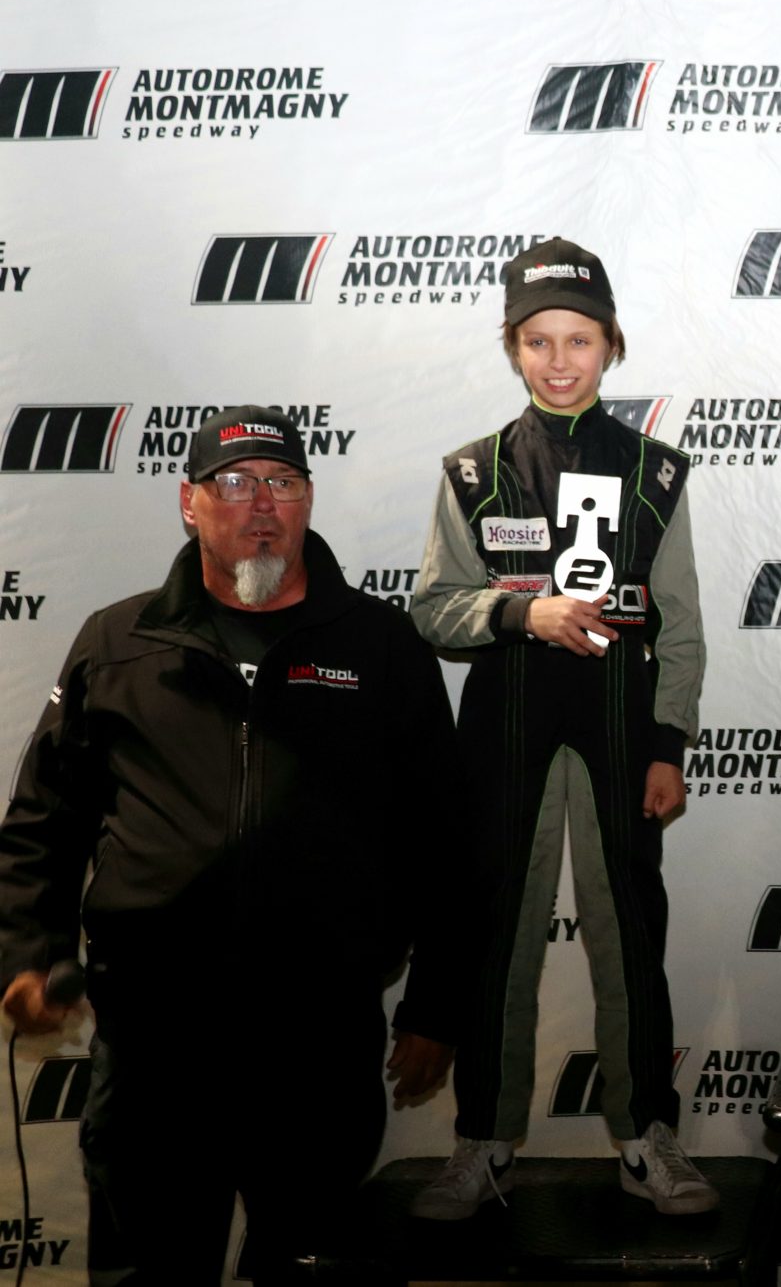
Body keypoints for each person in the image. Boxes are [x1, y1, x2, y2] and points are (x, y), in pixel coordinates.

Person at [0, 406, 467, 1281]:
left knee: (312, 1263)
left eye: (282, 483)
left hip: (320, 1039)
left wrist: (437, 1006)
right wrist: (30, 952)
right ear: (190, 502)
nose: (262, 504)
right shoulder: (119, 642)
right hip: (154, 1038)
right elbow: (43, 822)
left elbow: (442, 839)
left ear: (307, 500)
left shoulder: (381, 645)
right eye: (237, 483)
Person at [408, 237, 713, 1218]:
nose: (558, 360)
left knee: (630, 937)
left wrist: (669, 745)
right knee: (497, 931)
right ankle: (483, 1141)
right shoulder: (473, 471)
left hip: (622, 734)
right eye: (538, 340)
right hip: (504, 735)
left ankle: (646, 1136)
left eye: (578, 339)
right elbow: (433, 609)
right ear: (512, 347)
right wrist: (520, 613)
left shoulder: (657, 472)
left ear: (611, 344)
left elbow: (682, 627)